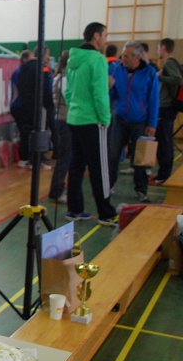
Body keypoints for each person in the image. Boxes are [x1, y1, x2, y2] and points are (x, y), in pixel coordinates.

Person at [64, 22, 119, 226]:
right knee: (100, 168)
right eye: (105, 35)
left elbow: (68, 91)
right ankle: (106, 213)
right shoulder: (97, 59)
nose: (106, 40)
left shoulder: (73, 59)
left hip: (75, 119)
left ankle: (74, 209)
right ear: (96, 36)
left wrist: (74, 108)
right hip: (92, 120)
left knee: (76, 165)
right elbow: (100, 93)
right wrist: (105, 118)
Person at [108, 42, 159, 202]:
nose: (122, 58)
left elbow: (154, 99)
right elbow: (113, 95)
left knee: (140, 158)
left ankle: (141, 190)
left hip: (140, 121)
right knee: (113, 154)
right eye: (123, 55)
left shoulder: (149, 73)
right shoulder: (117, 70)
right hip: (120, 119)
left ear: (136, 57)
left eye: (126, 56)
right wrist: (109, 88)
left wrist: (152, 124)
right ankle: (108, 186)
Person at [14, 47, 54, 169]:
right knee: (38, 131)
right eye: (48, 55)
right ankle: (36, 161)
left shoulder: (23, 67)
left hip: (23, 105)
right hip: (36, 106)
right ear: (43, 55)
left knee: (25, 132)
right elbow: (46, 89)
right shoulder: (42, 68)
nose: (49, 58)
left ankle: (24, 159)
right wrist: (49, 106)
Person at [154, 38, 182, 184]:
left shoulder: (169, 63)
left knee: (164, 141)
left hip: (166, 108)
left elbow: (177, 79)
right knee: (164, 140)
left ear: (163, 48)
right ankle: (163, 173)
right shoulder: (171, 63)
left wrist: (160, 77)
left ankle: (164, 175)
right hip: (166, 108)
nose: (157, 51)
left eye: (158, 48)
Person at [49, 50, 71, 203]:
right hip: (64, 121)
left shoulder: (60, 77)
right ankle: (57, 191)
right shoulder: (63, 79)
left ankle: (59, 189)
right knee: (64, 158)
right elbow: (70, 99)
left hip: (62, 120)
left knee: (66, 157)